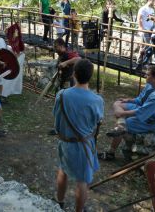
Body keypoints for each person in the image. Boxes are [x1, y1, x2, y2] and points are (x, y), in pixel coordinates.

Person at [53, 59, 104, 212]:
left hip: (64, 142)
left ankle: (59, 202)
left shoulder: (61, 95)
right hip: (82, 146)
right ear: (90, 77)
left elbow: (56, 117)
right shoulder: (97, 100)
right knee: (82, 180)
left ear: (74, 74)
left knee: (63, 169)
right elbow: (97, 121)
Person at [99, 66, 155, 160]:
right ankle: (120, 125)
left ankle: (111, 152)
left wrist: (122, 114)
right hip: (144, 110)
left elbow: (142, 112)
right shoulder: (150, 85)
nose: (145, 75)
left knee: (126, 123)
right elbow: (140, 100)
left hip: (152, 120)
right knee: (118, 103)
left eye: (148, 75)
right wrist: (128, 100)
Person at [48, 38, 81, 136]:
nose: (55, 48)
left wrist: (66, 63)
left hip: (68, 84)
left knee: (67, 106)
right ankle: (58, 127)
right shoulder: (61, 54)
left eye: (56, 46)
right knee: (59, 105)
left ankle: (68, 127)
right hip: (61, 82)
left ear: (62, 46)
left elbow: (78, 59)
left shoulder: (69, 53)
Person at [136, 0, 155, 64]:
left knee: (144, 45)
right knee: (148, 45)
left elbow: (153, 19)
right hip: (144, 30)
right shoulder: (143, 8)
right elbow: (139, 18)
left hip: (150, 30)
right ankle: (146, 61)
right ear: (150, 0)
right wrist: (141, 28)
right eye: (154, 0)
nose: (154, 3)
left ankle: (140, 60)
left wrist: (154, 28)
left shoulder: (152, 9)